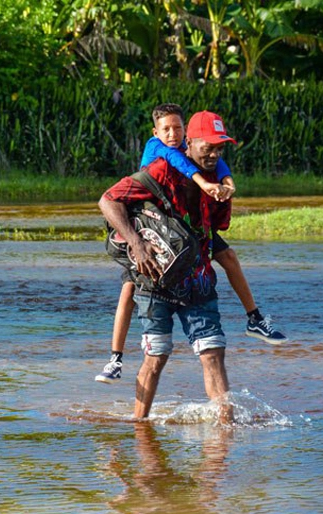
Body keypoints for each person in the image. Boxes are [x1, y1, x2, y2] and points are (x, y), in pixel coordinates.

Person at [96, 107, 286, 384]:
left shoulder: (203, 155)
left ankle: (254, 318)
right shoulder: (160, 150)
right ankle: (115, 357)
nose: (172, 135)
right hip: (148, 226)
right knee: (129, 287)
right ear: (156, 133)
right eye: (166, 130)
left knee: (229, 256)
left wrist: (226, 183)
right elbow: (180, 163)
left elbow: (216, 164)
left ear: (186, 132)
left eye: (177, 129)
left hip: (185, 231)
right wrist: (137, 244)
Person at [97, 110, 241, 422]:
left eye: (220, 148)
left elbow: (216, 228)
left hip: (198, 280)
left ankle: (225, 430)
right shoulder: (160, 169)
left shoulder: (218, 178)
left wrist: (223, 194)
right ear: (190, 143)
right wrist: (136, 243)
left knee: (213, 353)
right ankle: (139, 426)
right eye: (209, 147)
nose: (215, 154)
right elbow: (108, 201)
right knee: (156, 356)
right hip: (155, 280)